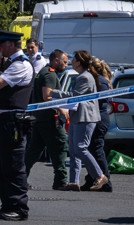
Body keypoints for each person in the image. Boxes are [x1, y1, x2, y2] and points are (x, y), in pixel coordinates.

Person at [0, 30, 34, 221]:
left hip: (12, 122)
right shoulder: (10, 64)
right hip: (0, 121)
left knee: (13, 168)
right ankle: (7, 205)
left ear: (12, 45)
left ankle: (18, 208)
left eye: (2, 45)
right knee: (2, 168)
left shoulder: (21, 64)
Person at [51, 50, 109, 192]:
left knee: (81, 148)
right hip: (77, 116)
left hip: (86, 117)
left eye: (74, 59)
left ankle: (100, 175)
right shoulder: (81, 76)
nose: (71, 62)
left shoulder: (85, 77)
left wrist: (53, 92)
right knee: (73, 149)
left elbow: (75, 96)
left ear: (79, 62)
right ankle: (73, 181)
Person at [24, 49, 69, 190]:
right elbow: (47, 96)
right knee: (60, 146)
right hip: (49, 119)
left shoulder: (43, 72)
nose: (66, 65)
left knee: (33, 151)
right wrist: (61, 108)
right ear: (56, 60)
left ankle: (20, 178)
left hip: (40, 117)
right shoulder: (49, 74)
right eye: (65, 62)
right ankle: (61, 181)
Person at [80, 58, 113, 192]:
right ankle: (92, 179)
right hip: (94, 117)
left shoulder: (101, 81)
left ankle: (106, 181)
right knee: (90, 149)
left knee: (97, 149)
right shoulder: (96, 80)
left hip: (100, 118)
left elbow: (102, 100)